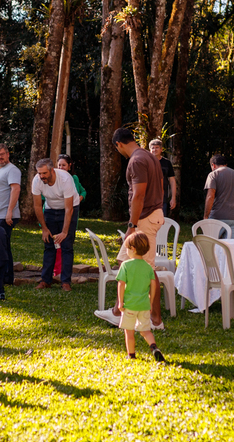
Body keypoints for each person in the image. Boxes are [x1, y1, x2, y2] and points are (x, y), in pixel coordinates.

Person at [94, 128, 166, 329]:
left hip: (145, 219)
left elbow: (139, 195)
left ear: (118, 144)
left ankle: (156, 320)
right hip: (150, 215)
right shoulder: (150, 157)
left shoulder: (136, 161)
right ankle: (118, 311)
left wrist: (131, 226)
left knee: (147, 270)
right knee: (124, 261)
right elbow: (160, 185)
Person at [115, 231, 166, 362]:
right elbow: (153, 286)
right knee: (145, 331)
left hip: (130, 305)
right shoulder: (148, 267)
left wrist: (120, 302)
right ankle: (154, 347)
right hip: (144, 305)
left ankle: (131, 355)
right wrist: (150, 301)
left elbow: (121, 284)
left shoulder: (126, 265)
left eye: (127, 248)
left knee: (129, 332)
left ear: (132, 249)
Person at [31, 158, 77, 291]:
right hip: (50, 209)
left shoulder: (65, 179)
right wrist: (44, 228)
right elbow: (37, 206)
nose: (41, 176)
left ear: (52, 170)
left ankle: (65, 281)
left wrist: (64, 232)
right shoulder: (37, 180)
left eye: (44, 173)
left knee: (67, 246)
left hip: (69, 209)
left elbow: (69, 209)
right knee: (49, 245)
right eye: (39, 173)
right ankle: (45, 280)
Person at [0, 143, 22, 285]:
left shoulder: (12, 170)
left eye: (2, 154)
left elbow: (15, 190)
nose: (0, 157)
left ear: (8, 154)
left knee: (1, 248)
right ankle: (3, 277)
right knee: (1, 247)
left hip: (5, 216)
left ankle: (5, 278)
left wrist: (9, 212)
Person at [52, 154, 85, 279]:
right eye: (59, 165)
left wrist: (78, 199)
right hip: (55, 214)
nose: (61, 167)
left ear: (69, 166)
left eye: (64, 165)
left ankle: (63, 274)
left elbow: (82, 191)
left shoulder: (73, 178)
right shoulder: (53, 178)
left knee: (66, 244)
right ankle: (55, 271)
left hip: (69, 213)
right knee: (54, 245)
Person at [204, 154, 234, 238]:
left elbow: (210, 196)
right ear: (226, 164)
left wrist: (206, 216)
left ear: (213, 165)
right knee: (231, 248)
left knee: (211, 245)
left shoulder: (213, 175)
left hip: (217, 218)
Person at [148, 139, 177, 218]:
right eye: (152, 148)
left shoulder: (166, 163)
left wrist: (173, 198)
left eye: (157, 147)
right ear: (149, 150)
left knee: (161, 221)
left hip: (162, 198)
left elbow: (172, 181)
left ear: (161, 149)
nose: (154, 150)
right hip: (148, 197)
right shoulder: (146, 162)